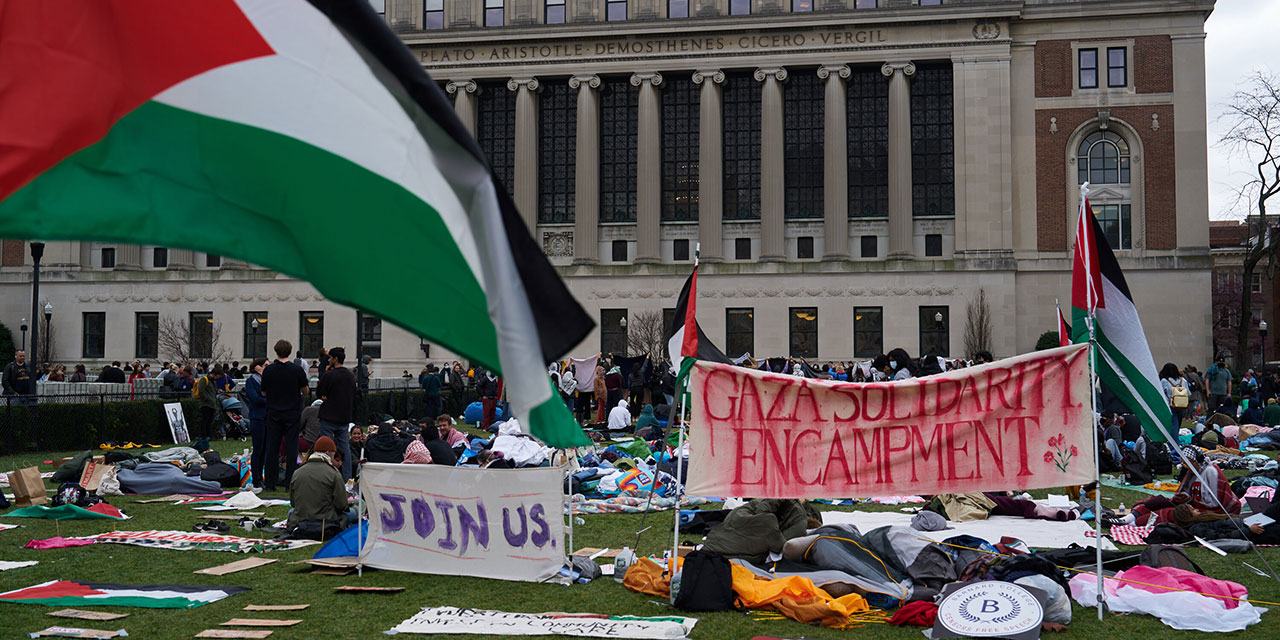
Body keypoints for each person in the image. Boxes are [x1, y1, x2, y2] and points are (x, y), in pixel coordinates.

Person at [261, 339, 309, 492]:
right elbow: (306, 391)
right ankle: (290, 483)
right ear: (290, 351)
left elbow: (263, 392)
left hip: (274, 412)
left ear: (276, 351)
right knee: (291, 448)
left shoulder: (268, 370)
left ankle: (270, 483)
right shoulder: (297, 370)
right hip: (292, 413)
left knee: (272, 448)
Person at [286, 436, 353, 533]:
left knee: (291, 512)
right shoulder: (333, 473)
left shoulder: (297, 472)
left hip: (301, 519)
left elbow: (293, 503)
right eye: (334, 455)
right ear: (328, 453)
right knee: (353, 512)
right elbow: (341, 505)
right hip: (326, 521)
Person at [316, 346, 356, 481]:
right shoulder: (350, 376)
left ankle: (327, 477)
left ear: (335, 359)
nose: (329, 360)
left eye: (330, 358)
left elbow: (320, 392)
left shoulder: (329, 375)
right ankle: (347, 479)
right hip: (344, 416)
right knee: (345, 449)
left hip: (328, 416)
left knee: (326, 449)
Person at [243, 358, 268, 489]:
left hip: (267, 418)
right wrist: (266, 398)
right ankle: (256, 478)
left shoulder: (268, 381)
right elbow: (255, 398)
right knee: (258, 449)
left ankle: (264, 476)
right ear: (257, 367)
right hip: (257, 418)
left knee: (265, 449)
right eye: (265, 365)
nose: (267, 368)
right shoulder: (251, 381)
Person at [1160, 363, 1189, 432]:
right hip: (1182, 405)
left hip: (1171, 405)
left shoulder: (1164, 381)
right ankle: (1175, 436)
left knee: (1173, 424)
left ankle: (1174, 438)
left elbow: (1161, 393)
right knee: (1178, 424)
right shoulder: (1183, 380)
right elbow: (1188, 393)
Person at [194, 364, 220, 440]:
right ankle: (203, 436)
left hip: (212, 403)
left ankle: (209, 435)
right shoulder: (204, 379)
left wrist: (217, 391)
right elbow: (201, 391)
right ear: (214, 374)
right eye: (217, 376)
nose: (218, 378)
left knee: (210, 421)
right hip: (206, 404)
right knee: (204, 420)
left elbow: (213, 391)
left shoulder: (213, 381)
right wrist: (208, 399)